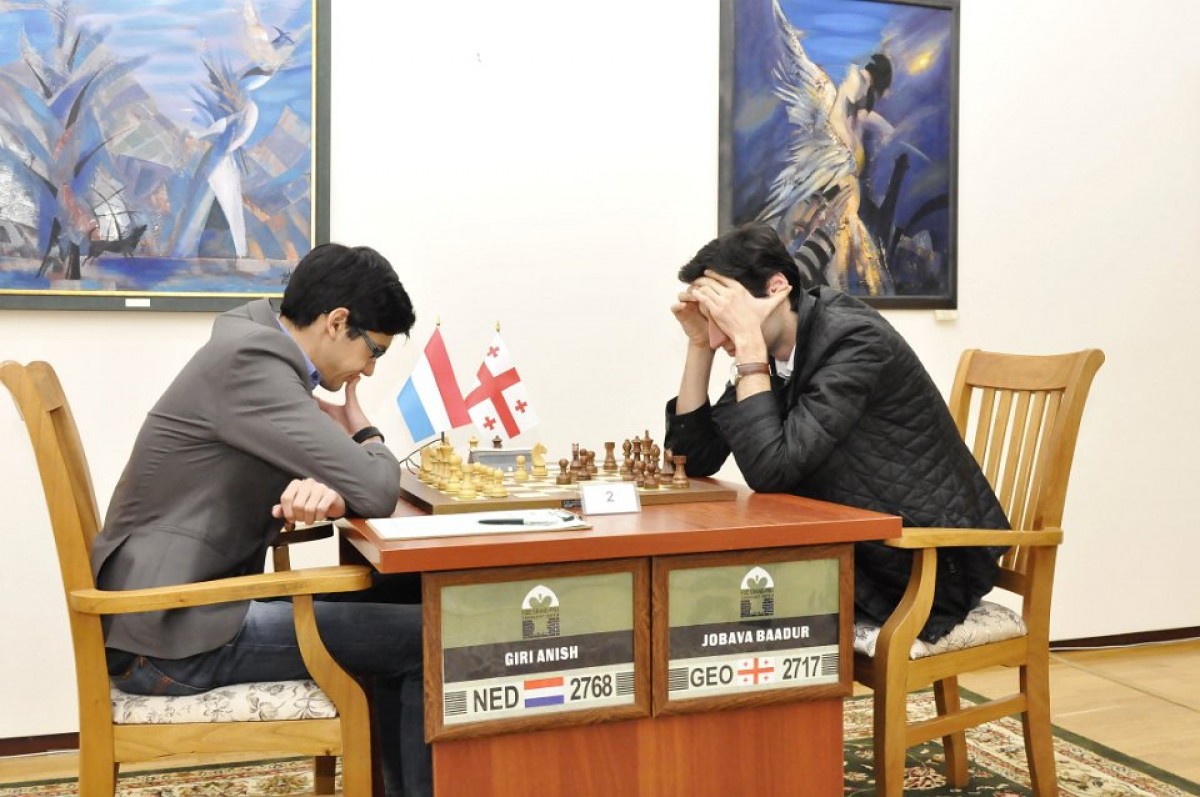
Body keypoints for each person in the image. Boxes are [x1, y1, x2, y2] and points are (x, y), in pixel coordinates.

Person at [91, 243, 431, 797]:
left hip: (173, 612)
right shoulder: (253, 364)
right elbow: (374, 488)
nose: (369, 369)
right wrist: (363, 431)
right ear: (336, 322)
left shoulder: (250, 348)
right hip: (172, 636)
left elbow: (330, 483)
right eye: (373, 351)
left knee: (399, 601)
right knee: (427, 639)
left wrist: (321, 491)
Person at [664, 222, 1009, 642]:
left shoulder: (855, 340)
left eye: (724, 313)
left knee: (729, 607)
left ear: (776, 288)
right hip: (852, 552)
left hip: (921, 566)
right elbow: (692, 460)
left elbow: (771, 470)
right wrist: (700, 344)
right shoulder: (776, 354)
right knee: (703, 600)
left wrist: (748, 346)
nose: (721, 334)